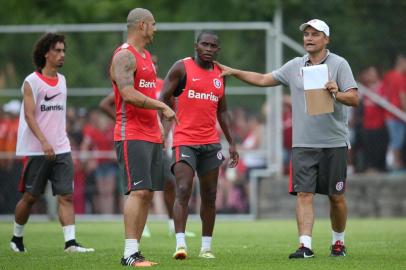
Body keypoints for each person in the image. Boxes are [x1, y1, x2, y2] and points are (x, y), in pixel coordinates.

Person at [216, 19, 359, 258]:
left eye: (315, 34)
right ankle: (305, 245)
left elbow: (354, 98)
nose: (309, 38)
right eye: (306, 34)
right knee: (304, 194)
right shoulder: (294, 65)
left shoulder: (339, 64)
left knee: (336, 197)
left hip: (334, 143)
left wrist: (337, 92)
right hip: (302, 144)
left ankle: (338, 242)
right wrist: (233, 71)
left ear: (327, 39)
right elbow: (263, 79)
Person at [10, 33, 94, 253]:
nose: (62, 54)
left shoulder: (63, 80)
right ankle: (16, 238)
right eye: (57, 50)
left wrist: (58, 140)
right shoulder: (31, 81)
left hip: (61, 148)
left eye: (63, 50)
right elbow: (29, 116)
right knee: (30, 198)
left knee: (66, 195)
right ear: (46, 53)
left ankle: (70, 243)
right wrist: (44, 142)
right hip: (37, 150)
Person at [160, 30, 239, 260]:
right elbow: (164, 96)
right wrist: (167, 122)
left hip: (211, 144)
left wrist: (232, 142)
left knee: (210, 195)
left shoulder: (220, 75)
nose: (208, 49)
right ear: (196, 46)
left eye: (213, 46)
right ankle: (181, 244)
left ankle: (206, 247)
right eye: (204, 44)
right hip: (184, 140)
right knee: (183, 189)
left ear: (218, 50)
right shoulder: (181, 68)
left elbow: (223, 111)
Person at [109, 8, 177, 267]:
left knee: (148, 194)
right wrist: (161, 107)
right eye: (153, 24)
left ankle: (136, 251)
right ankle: (128, 254)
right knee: (138, 192)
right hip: (131, 134)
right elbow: (127, 94)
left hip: (150, 134)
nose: (156, 29)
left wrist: (158, 125)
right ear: (142, 25)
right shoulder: (124, 55)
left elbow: (144, 95)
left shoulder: (146, 57)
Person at [100, 55, 196, 238]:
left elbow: (170, 110)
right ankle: (138, 229)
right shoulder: (134, 85)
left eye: (156, 63)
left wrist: (165, 133)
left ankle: (171, 224)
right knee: (137, 187)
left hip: (159, 142)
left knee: (166, 185)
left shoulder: (161, 84)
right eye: (151, 63)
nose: (154, 66)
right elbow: (105, 104)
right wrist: (122, 120)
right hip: (136, 138)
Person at [381, 54, 406, 172]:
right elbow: (402, 97)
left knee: (393, 140)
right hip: (397, 114)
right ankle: (395, 164)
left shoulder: (388, 75)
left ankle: (394, 163)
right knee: (397, 141)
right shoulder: (400, 77)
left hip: (388, 114)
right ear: (402, 62)